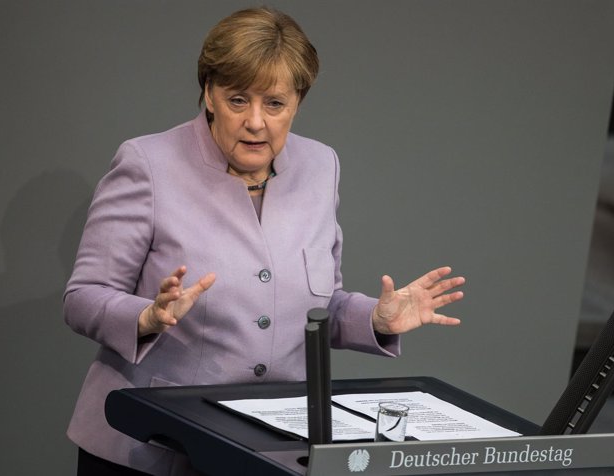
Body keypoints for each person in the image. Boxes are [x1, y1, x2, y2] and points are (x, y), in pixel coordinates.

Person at [64, 6, 465, 476]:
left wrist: (375, 319)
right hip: (150, 448)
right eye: (238, 100)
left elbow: (318, 306)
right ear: (209, 94)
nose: (256, 121)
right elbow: (82, 298)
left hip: (264, 452)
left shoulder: (320, 167)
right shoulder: (148, 164)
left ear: (297, 102)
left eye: (274, 103)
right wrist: (147, 317)